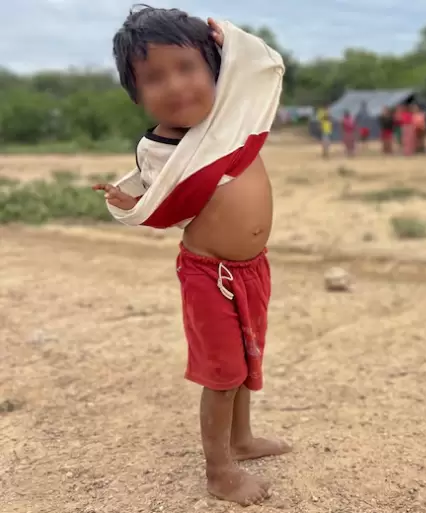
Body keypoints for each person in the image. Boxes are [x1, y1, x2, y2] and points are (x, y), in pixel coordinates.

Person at [91, 6, 290, 506]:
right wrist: (134, 203)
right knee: (223, 374)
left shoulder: (234, 117)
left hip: (252, 268)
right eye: (154, 78)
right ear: (137, 95)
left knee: (246, 362)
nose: (175, 85)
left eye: (186, 68)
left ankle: (241, 440)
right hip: (210, 276)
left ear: (215, 69)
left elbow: (267, 65)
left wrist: (229, 38)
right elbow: (163, 198)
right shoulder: (160, 149)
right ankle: (219, 470)